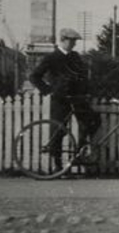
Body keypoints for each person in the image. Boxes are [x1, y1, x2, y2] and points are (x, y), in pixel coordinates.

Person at [29, 28, 100, 168]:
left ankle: (79, 154)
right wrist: (48, 90)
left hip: (77, 98)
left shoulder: (75, 56)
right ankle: (58, 166)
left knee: (93, 121)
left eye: (75, 41)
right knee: (58, 131)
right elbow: (34, 76)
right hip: (60, 99)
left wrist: (87, 91)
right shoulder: (51, 57)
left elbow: (83, 77)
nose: (74, 44)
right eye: (71, 41)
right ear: (62, 40)